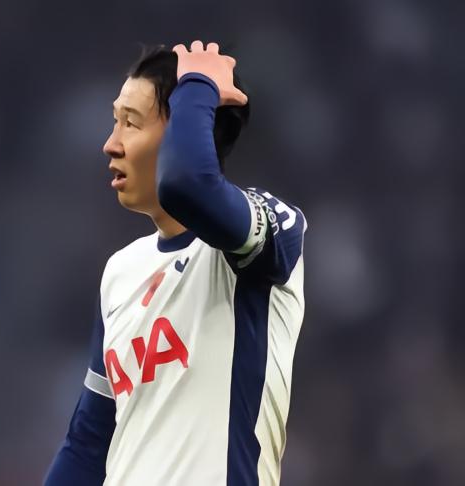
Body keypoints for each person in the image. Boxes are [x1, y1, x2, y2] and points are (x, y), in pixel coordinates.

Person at [44, 40, 307, 486]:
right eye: (115, 121)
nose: (110, 144)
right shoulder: (121, 271)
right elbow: (88, 443)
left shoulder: (266, 235)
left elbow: (187, 184)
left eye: (131, 123)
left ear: (186, 128)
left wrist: (198, 84)